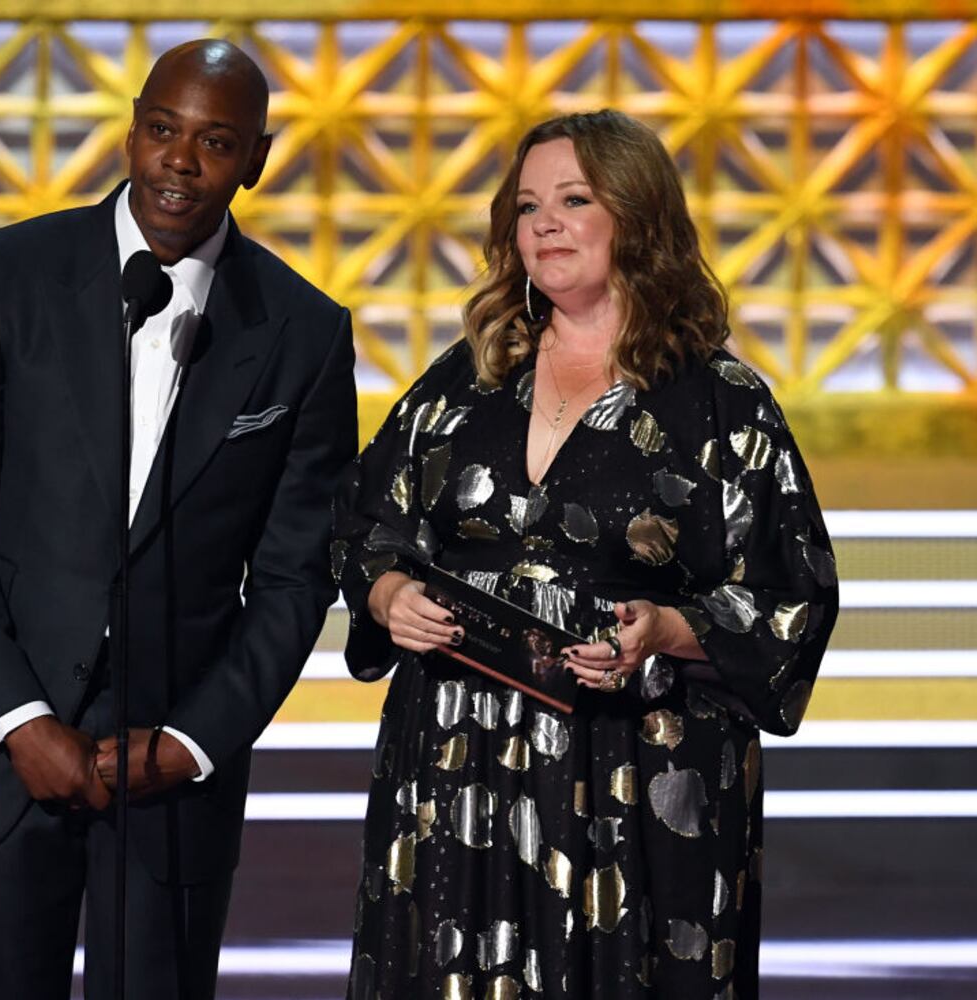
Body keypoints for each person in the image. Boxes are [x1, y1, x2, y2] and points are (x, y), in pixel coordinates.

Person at [333, 109, 838, 999]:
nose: (544, 225)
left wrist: (667, 629)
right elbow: (365, 523)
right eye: (527, 207)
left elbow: (791, 596)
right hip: (456, 762)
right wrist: (386, 595)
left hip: (634, 769)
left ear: (637, 217)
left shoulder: (720, 401)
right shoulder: (468, 377)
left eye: (573, 200)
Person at [0, 38, 356, 1000]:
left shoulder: (304, 331)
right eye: (160, 130)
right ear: (131, 133)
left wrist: (190, 743)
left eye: (214, 142)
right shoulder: (5, 274)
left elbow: (293, 576)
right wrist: (21, 719)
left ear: (256, 161)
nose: (178, 162)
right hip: (0, 751)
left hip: (170, 773)